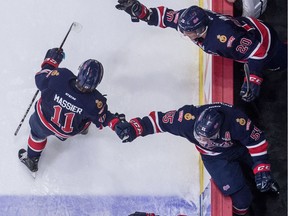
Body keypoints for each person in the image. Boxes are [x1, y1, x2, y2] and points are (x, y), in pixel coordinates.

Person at [114, 102, 279, 215]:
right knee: (242, 200)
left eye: (206, 138)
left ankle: (267, 181)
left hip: (238, 147)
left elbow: (256, 141)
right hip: (215, 158)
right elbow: (158, 121)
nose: (202, 141)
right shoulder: (186, 119)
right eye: (199, 136)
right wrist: (135, 128)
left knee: (262, 170)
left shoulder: (237, 121)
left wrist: (261, 168)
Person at [115, 0, 287, 102]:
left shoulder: (225, 39)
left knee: (280, 62)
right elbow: (167, 17)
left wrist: (254, 80)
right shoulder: (189, 19)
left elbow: (258, 51)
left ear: (199, 30)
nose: (184, 34)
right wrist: (141, 12)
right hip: (249, 31)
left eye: (188, 33)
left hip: (266, 43)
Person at [18, 48, 124, 175]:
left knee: (36, 134)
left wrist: (50, 62)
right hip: (66, 131)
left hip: (44, 121)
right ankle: (84, 130)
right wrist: (116, 123)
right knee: (89, 116)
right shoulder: (95, 101)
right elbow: (104, 118)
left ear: (80, 71)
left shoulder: (60, 76)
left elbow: (40, 79)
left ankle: (31, 159)